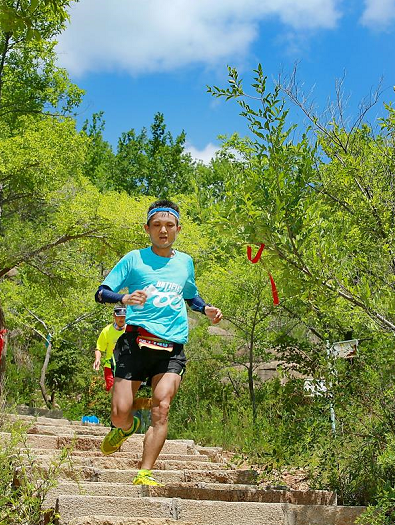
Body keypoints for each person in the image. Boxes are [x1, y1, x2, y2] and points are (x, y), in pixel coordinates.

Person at [94, 199, 222, 486]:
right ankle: (127, 426)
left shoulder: (185, 262)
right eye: (157, 225)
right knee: (119, 413)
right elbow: (101, 293)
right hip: (135, 342)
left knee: (162, 407)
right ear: (147, 229)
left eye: (169, 225)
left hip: (171, 346)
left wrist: (206, 309)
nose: (163, 230)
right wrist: (123, 298)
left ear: (178, 228)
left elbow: (190, 295)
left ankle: (144, 472)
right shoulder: (134, 259)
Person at [93, 306, 126, 391]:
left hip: (127, 365)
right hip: (110, 367)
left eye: (123, 316)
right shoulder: (107, 331)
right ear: (114, 316)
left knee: (125, 393)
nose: (121, 319)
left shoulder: (130, 330)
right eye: (119, 316)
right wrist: (97, 359)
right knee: (113, 391)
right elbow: (99, 348)